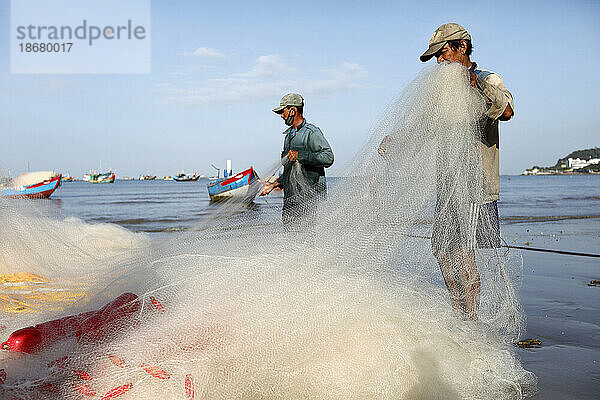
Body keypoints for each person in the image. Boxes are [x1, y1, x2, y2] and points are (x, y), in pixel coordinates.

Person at [419, 23, 515, 320]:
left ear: (462, 47)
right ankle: (458, 310)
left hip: (475, 184)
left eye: (442, 52)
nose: (439, 61)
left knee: (463, 254)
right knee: (441, 250)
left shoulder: (487, 79)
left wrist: (473, 84)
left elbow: (508, 110)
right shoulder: (443, 91)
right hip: (447, 183)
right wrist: (397, 140)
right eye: (435, 56)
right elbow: (428, 127)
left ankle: (469, 321)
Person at [260, 93, 334, 230]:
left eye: (283, 111)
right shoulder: (288, 136)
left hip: (306, 198)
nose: (281, 115)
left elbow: (328, 157)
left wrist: (301, 155)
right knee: (289, 237)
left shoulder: (312, 132)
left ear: (293, 110)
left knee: (305, 238)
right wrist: (274, 184)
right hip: (290, 198)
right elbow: (290, 169)